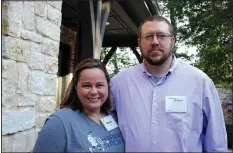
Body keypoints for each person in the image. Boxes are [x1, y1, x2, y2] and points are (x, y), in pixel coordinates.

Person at [110, 15, 227, 152]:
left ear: (173, 40)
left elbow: (216, 141)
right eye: (148, 36)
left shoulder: (200, 82)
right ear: (140, 42)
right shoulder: (119, 84)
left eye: (161, 35)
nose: (155, 42)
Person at [33, 59, 125, 152]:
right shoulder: (59, 122)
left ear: (107, 87)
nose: (93, 91)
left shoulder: (116, 117)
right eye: (87, 85)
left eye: (99, 85)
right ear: (76, 87)